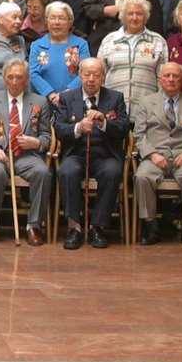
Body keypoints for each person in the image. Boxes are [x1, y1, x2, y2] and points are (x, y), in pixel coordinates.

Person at [52, 56, 128, 250]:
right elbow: (60, 129)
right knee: (66, 171)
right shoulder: (67, 98)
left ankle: (97, 226)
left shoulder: (115, 97)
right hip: (76, 152)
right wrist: (77, 128)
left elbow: (123, 128)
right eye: (87, 74)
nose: (91, 79)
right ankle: (74, 227)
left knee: (113, 172)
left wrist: (104, 123)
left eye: (96, 75)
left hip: (105, 153)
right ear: (80, 76)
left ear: (103, 77)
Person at [131, 61, 182, 247]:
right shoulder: (146, 102)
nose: (171, 79)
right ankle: (150, 227)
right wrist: (152, 155)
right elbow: (139, 135)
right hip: (155, 156)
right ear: (159, 79)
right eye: (167, 76)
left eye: (175, 76)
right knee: (142, 176)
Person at [0, 57, 52, 244]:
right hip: (0, 154)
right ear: (3, 78)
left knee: (43, 172)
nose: (14, 82)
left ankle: (34, 225)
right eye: (10, 77)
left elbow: (46, 137)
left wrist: (35, 142)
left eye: (19, 77)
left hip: (27, 155)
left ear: (27, 80)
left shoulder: (40, 102)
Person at [94, 0, 167, 106]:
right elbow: (100, 75)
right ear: (123, 16)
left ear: (146, 16)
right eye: (130, 14)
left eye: (139, 14)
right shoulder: (109, 40)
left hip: (147, 109)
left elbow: (162, 78)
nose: (134, 17)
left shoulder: (157, 41)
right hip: (113, 108)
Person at [27, 1, 89, 106]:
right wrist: (51, 95)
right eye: (52, 18)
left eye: (61, 18)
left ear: (70, 22)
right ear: (46, 21)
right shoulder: (37, 45)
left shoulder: (80, 44)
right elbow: (33, 74)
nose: (56, 22)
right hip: (43, 102)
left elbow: (85, 72)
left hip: (73, 100)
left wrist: (65, 95)